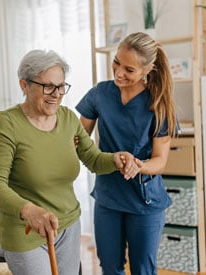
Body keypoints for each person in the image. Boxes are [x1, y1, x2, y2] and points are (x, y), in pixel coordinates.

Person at [0, 49, 140, 275]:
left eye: (61, 87)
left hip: (68, 225)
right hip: (26, 231)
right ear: (24, 85)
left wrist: (115, 159)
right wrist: (28, 210)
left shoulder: (68, 118)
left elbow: (94, 159)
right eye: (48, 86)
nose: (56, 94)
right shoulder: (7, 123)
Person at [76, 32, 177, 275]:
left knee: (143, 270)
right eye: (116, 62)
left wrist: (138, 165)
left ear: (147, 70)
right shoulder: (100, 94)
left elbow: (160, 161)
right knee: (110, 267)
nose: (119, 72)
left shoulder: (158, 104)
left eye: (129, 69)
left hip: (144, 200)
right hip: (108, 197)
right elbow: (78, 139)